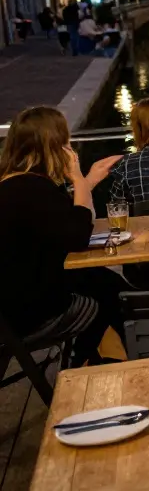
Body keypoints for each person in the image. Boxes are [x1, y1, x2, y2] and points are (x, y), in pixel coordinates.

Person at [0, 107, 125, 366]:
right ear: (54, 145)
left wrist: (86, 182)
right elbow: (78, 237)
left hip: (11, 306)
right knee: (113, 294)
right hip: (29, 315)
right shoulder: (33, 190)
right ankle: (86, 364)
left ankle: (94, 358)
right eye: (66, 142)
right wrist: (78, 178)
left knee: (102, 280)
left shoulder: (14, 185)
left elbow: (65, 220)